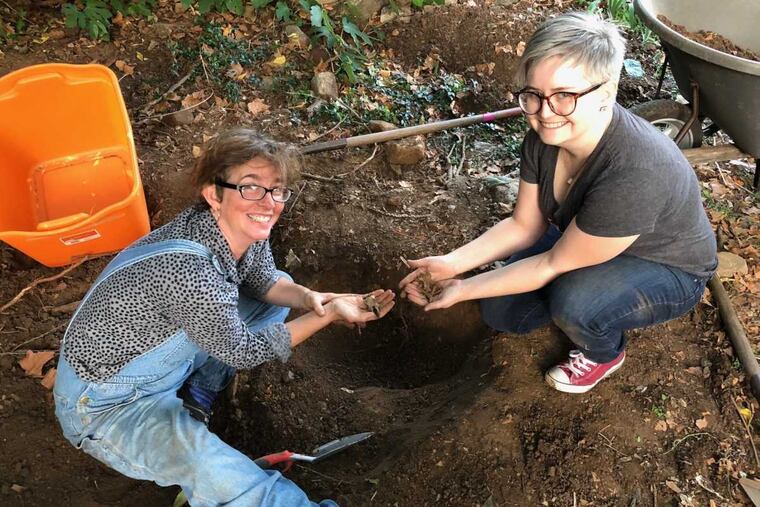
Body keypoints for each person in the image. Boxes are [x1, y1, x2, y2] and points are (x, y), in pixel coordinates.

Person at [53, 128, 395, 506]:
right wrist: (327, 314)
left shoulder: (235, 227)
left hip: (157, 358)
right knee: (207, 466)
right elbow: (244, 353)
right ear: (213, 194)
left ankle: (199, 393)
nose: (268, 203)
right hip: (107, 402)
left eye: (277, 189)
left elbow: (263, 282)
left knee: (280, 287)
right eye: (251, 187)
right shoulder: (191, 274)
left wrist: (309, 297)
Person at [399, 12, 716, 394]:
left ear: (607, 91)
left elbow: (553, 261)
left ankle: (604, 352)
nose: (545, 113)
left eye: (565, 96)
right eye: (533, 95)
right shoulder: (543, 140)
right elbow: (525, 226)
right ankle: (587, 290)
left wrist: (464, 288)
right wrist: (451, 264)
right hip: (586, 235)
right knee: (503, 312)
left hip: (666, 266)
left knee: (575, 302)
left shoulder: (635, 170)